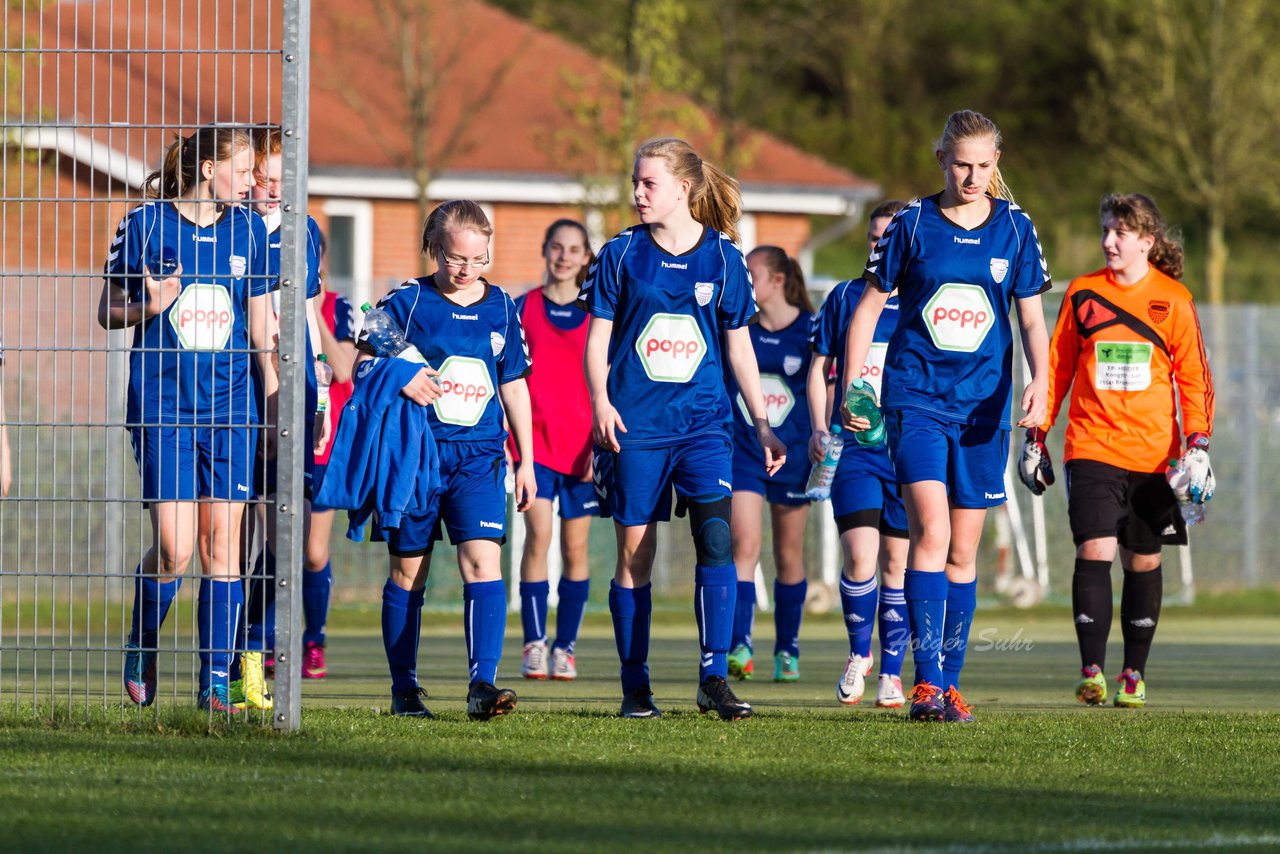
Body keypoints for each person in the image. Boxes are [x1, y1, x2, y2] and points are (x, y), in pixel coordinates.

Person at [841, 110, 1051, 723]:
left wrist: (1041, 380)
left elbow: (1032, 319)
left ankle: (950, 682)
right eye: (962, 163)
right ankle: (926, 683)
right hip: (916, 400)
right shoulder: (910, 225)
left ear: (997, 166)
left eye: (985, 166)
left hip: (984, 409)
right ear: (941, 159)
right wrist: (858, 386)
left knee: (964, 552)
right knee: (929, 534)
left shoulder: (1014, 228)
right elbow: (867, 306)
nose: (973, 176)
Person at [580, 137, 786, 721]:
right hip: (637, 427)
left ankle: (713, 677)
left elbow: (741, 351)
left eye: (649, 183)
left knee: (717, 542)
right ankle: (634, 685)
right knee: (635, 557)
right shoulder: (621, 254)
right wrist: (600, 400)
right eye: (636, 183)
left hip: (705, 426)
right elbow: (596, 340)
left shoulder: (723, 258)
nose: (638, 193)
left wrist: (764, 426)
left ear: (684, 189)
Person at [97, 125, 277, 713]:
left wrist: (273, 403)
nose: (255, 181)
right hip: (163, 408)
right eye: (246, 168)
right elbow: (107, 311)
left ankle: (214, 685)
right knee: (175, 550)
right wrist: (147, 304)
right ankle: (142, 639)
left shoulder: (250, 229)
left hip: (231, 410)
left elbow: (260, 330)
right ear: (207, 169)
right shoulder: (144, 224)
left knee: (221, 545)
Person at [1021, 193, 1214, 709]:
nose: (1108, 241)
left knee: (1143, 561)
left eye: (1120, 233)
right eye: (1106, 230)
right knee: (1095, 550)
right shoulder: (1083, 293)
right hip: (1090, 445)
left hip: (1155, 456)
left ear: (1147, 242)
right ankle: (1091, 671)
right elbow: (1056, 369)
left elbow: (1194, 379)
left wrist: (1197, 445)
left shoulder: (1174, 299)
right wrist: (1036, 435)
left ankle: (1133, 673)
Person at [356, 199, 535, 720]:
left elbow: (515, 383)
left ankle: (483, 685)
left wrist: (525, 458)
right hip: (416, 456)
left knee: (483, 561)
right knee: (409, 573)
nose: (467, 270)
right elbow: (365, 364)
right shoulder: (407, 301)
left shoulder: (502, 305)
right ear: (435, 249)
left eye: (479, 260)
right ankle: (404, 690)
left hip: (479, 457)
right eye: (457, 258)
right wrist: (400, 376)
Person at [232, 125, 328, 712]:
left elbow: (311, 315)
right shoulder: (229, 230)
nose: (270, 190)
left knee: (287, 539)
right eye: (260, 178)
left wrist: (317, 394)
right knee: (232, 543)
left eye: (280, 180)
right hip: (238, 395)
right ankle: (232, 670)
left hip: (296, 390)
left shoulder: (306, 232)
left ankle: (259, 648)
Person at [807, 200, 912, 708]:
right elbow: (817, 366)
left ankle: (892, 673)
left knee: (898, 563)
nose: (879, 246)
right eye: (873, 239)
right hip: (854, 448)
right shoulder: (847, 296)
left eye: (888, 239)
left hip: (908, 448)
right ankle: (858, 654)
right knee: (860, 554)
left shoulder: (924, 297)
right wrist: (816, 428)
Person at [724, 246, 814, 684]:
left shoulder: (811, 331)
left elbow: (824, 391)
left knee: (788, 554)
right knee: (743, 544)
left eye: (753, 274)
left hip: (793, 455)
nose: (746, 282)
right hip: (744, 450)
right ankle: (740, 645)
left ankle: (788, 649)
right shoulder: (741, 331)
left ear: (777, 280)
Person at [515, 219, 599, 681]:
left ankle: (565, 647)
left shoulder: (598, 312)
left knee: (576, 547)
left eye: (574, 249)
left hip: (584, 452)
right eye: (557, 248)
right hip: (535, 450)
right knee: (539, 538)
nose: (565, 257)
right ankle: (534, 644)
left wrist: (599, 445)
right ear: (545, 250)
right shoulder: (523, 307)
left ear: (586, 257)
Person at [304, 270, 361, 679]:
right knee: (269, 552)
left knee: (312, 552)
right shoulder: (264, 298)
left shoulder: (337, 307)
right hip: (271, 437)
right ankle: (262, 642)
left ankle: (314, 639)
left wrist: (313, 309)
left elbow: (344, 370)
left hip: (324, 446)